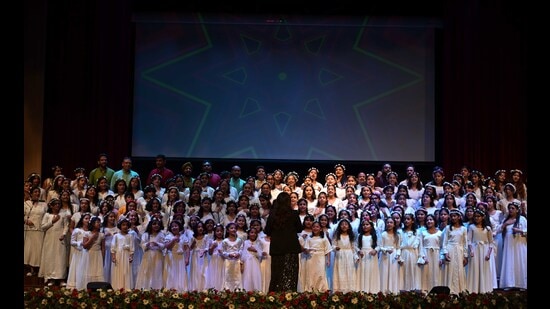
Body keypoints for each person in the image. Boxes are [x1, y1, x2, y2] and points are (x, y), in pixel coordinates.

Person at [263, 192, 303, 292]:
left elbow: (267, 230)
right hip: (291, 248)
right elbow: (299, 229)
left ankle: (275, 298)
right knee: (291, 274)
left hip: (277, 248)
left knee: (277, 274)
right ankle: (290, 298)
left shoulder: (272, 215)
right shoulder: (293, 214)